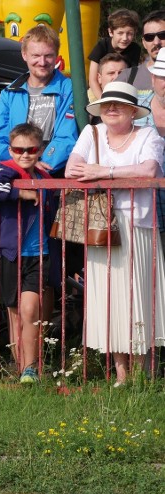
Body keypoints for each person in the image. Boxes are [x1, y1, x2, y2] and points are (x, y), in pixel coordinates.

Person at [66, 81, 165, 385]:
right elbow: (72, 169)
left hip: (139, 225)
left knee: (139, 298)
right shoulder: (91, 133)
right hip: (102, 226)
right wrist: (109, 174)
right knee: (109, 300)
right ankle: (121, 374)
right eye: (107, 104)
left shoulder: (149, 135)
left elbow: (148, 171)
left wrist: (102, 173)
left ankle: (142, 372)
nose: (111, 109)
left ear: (133, 111)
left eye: (119, 105)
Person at [0, 123, 53, 384]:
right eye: (19, 149)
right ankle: (19, 366)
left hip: (38, 253)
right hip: (9, 252)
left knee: (30, 309)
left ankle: (31, 368)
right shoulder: (4, 168)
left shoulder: (45, 177)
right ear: (10, 149)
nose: (25, 154)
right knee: (15, 313)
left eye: (31, 149)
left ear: (40, 149)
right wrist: (18, 192)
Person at [0, 25, 77, 175]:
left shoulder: (68, 89)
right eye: (36, 56)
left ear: (56, 55)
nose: (42, 62)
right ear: (24, 55)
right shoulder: (10, 93)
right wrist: (23, 165)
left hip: (51, 171)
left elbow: (66, 136)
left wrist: (40, 165)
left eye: (48, 56)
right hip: (15, 171)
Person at [88, 9, 142, 99]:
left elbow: (132, 78)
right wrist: (103, 100)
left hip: (122, 89)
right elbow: (92, 80)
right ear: (110, 32)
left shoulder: (135, 49)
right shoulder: (102, 46)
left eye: (129, 34)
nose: (125, 38)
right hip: (99, 90)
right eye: (120, 33)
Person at [117, 9, 165, 102]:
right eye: (149, 37)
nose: (156, 42)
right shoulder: (128, 77)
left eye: (162, 35)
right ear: (143, 42)